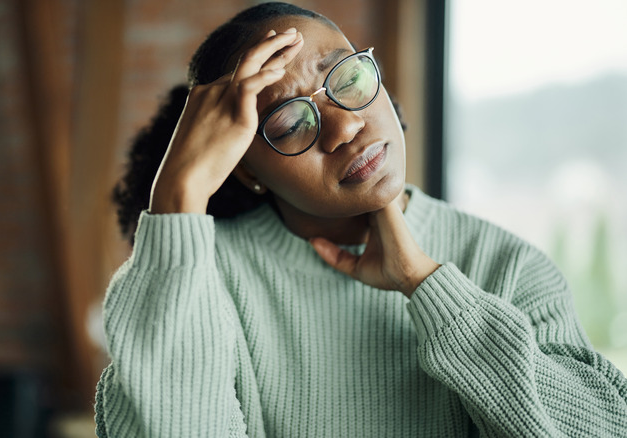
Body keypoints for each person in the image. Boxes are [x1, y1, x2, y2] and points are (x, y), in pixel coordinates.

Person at [95, 3, 627, 437]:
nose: (345, 126)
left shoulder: (506, 266)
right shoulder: (193, 283)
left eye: (346, 78)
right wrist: (178, 195)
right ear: (246, 169)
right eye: (288, 120)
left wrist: (428, 287)